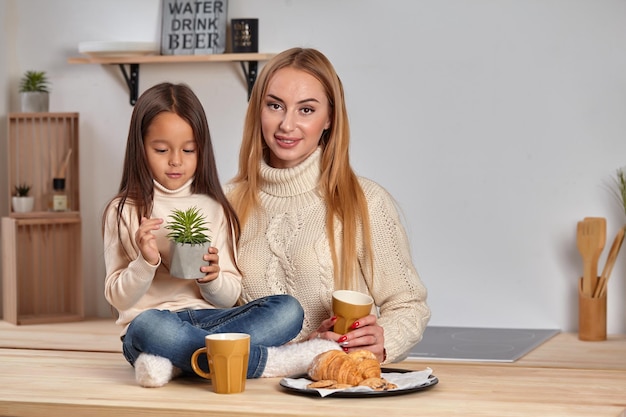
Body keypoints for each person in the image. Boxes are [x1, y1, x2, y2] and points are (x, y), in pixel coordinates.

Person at [102, 82, 339, 388]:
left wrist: (211, 279)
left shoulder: (215, 209)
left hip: (212, 319)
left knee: (287, 310)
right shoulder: (123, 210)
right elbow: (117, 297)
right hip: (153, 323)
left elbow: (229, 295)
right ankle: (269, 362)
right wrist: (144, 262)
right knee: (148, 327)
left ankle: (174, 361)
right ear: (140, 147)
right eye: (161, 150)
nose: (176, 160)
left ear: (202, 149)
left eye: (188, 150)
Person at [227, 48, 431, 364]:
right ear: (258, 111)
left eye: (306, 110)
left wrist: (381, 341)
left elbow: (408, 304)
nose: (286, 124)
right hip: (252, 393)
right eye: (275, 105)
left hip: (336, 395)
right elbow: (211, 320)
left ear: (329, 119)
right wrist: (303, 349)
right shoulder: (225, 204)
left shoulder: (366, 202)